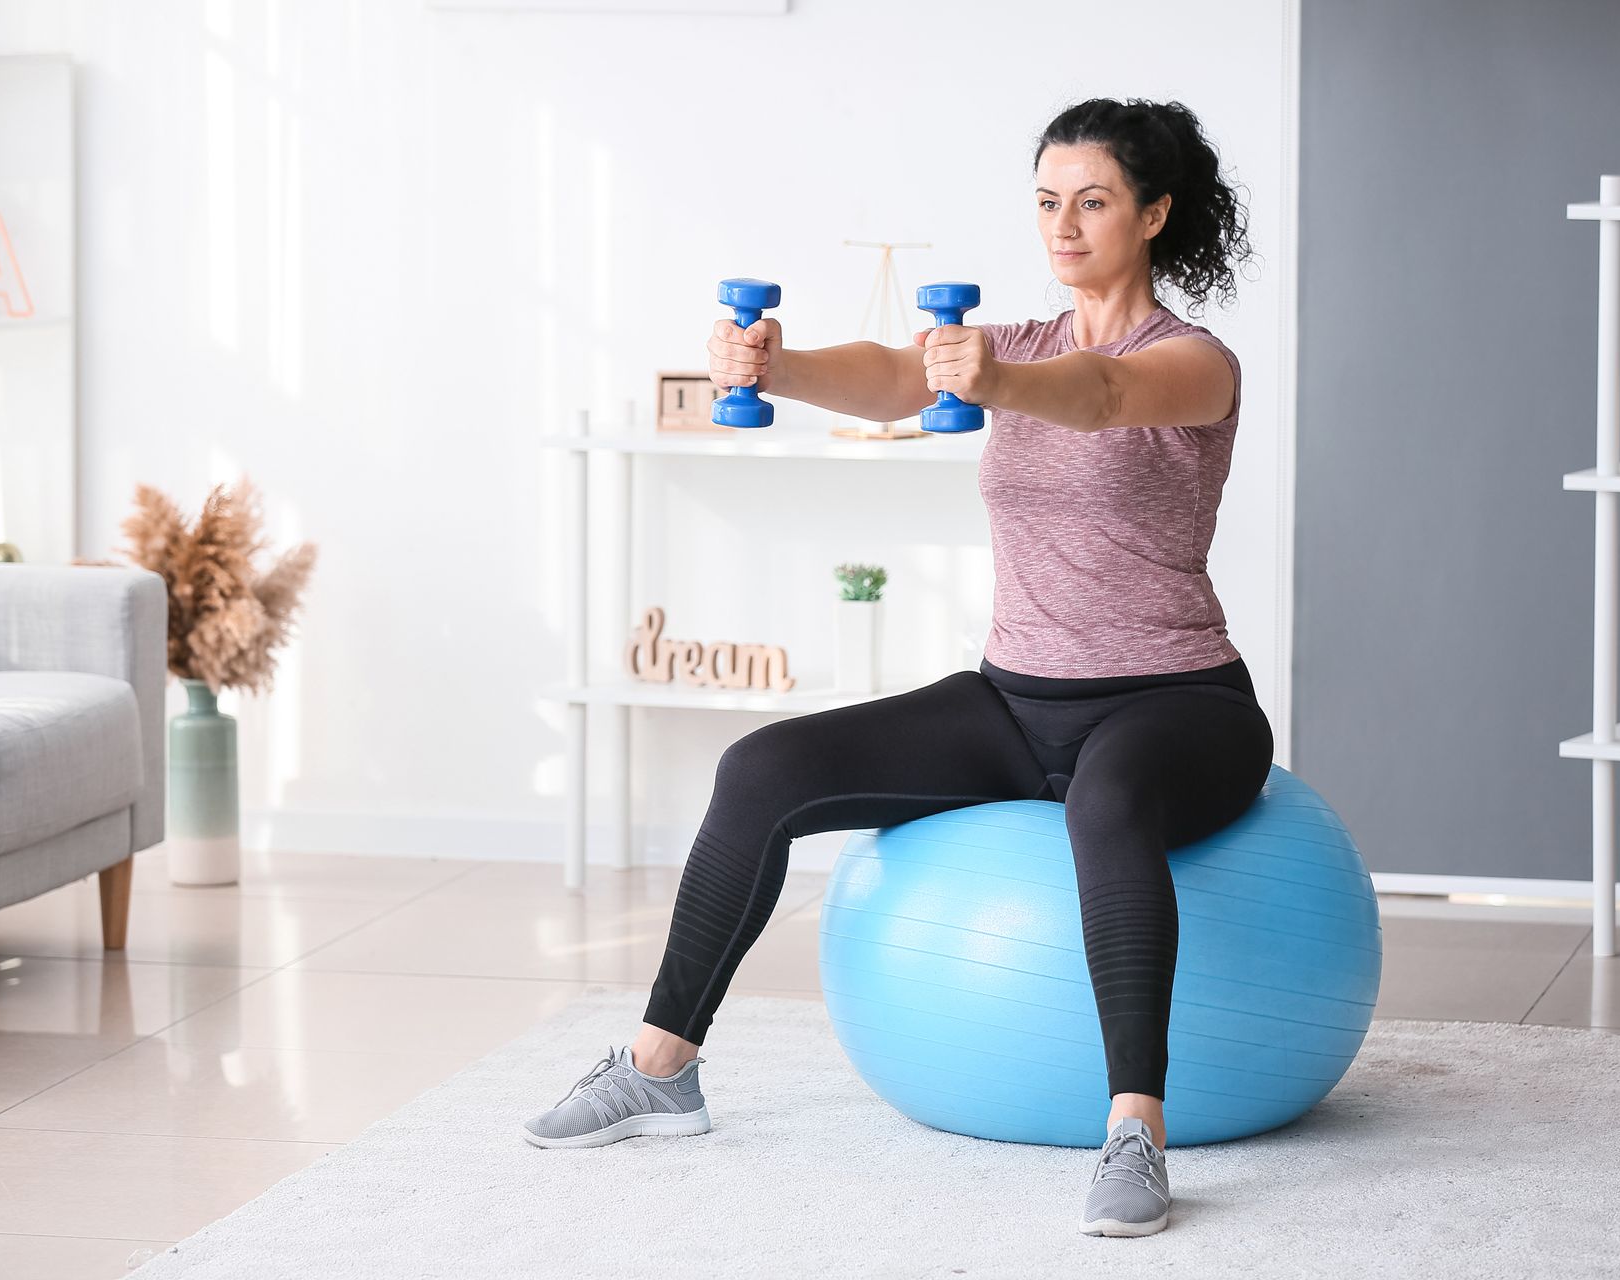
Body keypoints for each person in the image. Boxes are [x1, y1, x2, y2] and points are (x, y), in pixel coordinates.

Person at [523, 97, 1269, 1240]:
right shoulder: (1007, 344)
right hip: (1015, 698)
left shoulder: (1192, 361)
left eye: (1093, 202)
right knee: (761, 766)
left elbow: (1105, 395)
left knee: (1110, 804)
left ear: (1155, 212)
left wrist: (992, 386)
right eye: (1045, 202)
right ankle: (660, 1064)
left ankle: (1135, 1130)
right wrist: (775, 366)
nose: (1062, 225)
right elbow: (888, 375)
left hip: (1178, 701)